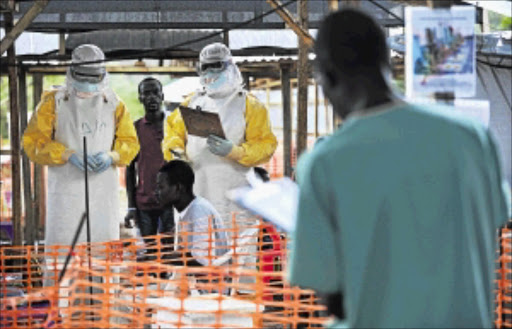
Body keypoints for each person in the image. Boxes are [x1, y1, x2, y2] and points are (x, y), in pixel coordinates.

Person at [288, 9, 510, 328]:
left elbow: (332, 296)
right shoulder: (472, 138)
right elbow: (493, 228)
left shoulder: (326, 162)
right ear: (387, 63)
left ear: (327, 77)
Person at [23, 44, 139, 248]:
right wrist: (67, 155)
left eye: (92, 78)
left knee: (102, 251)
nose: (87, 84)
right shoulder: (53, 101)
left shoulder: (114, 103)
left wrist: (111, 156)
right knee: (64, 252)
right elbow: (33, 142)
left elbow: (130, 142)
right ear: (72, 72)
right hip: (66, 192)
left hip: (103, 192)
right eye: (83, 77)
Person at [162, 42, 278, 230]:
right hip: (197, 188)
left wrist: (236, 151)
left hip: (234, 192)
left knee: (234, 249)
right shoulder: (191, 102)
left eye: (216, 68)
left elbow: (266, 146)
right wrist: (175, 151)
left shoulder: (249, 105)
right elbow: (173, 132)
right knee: (198, 248)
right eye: (205, 69)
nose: (210, 75)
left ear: (230, 68)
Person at [125, 78, 174, 239]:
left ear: (162, 96)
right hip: (144, 202)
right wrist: (131, 207)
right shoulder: (135, 128)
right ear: (140, 98)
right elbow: (130, 170)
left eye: (155, 92)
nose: (151, 97)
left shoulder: (174, 126)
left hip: (172, 202)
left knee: (170, 252)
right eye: (146, 93)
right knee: (149, 250)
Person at [155, 160, 229, 267]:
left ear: (178, 188)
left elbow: (201, 260)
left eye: (161, 187)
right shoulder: (184, 211)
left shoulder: (199, 210)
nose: (156, 192)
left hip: (213, 279)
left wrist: (160, 258)